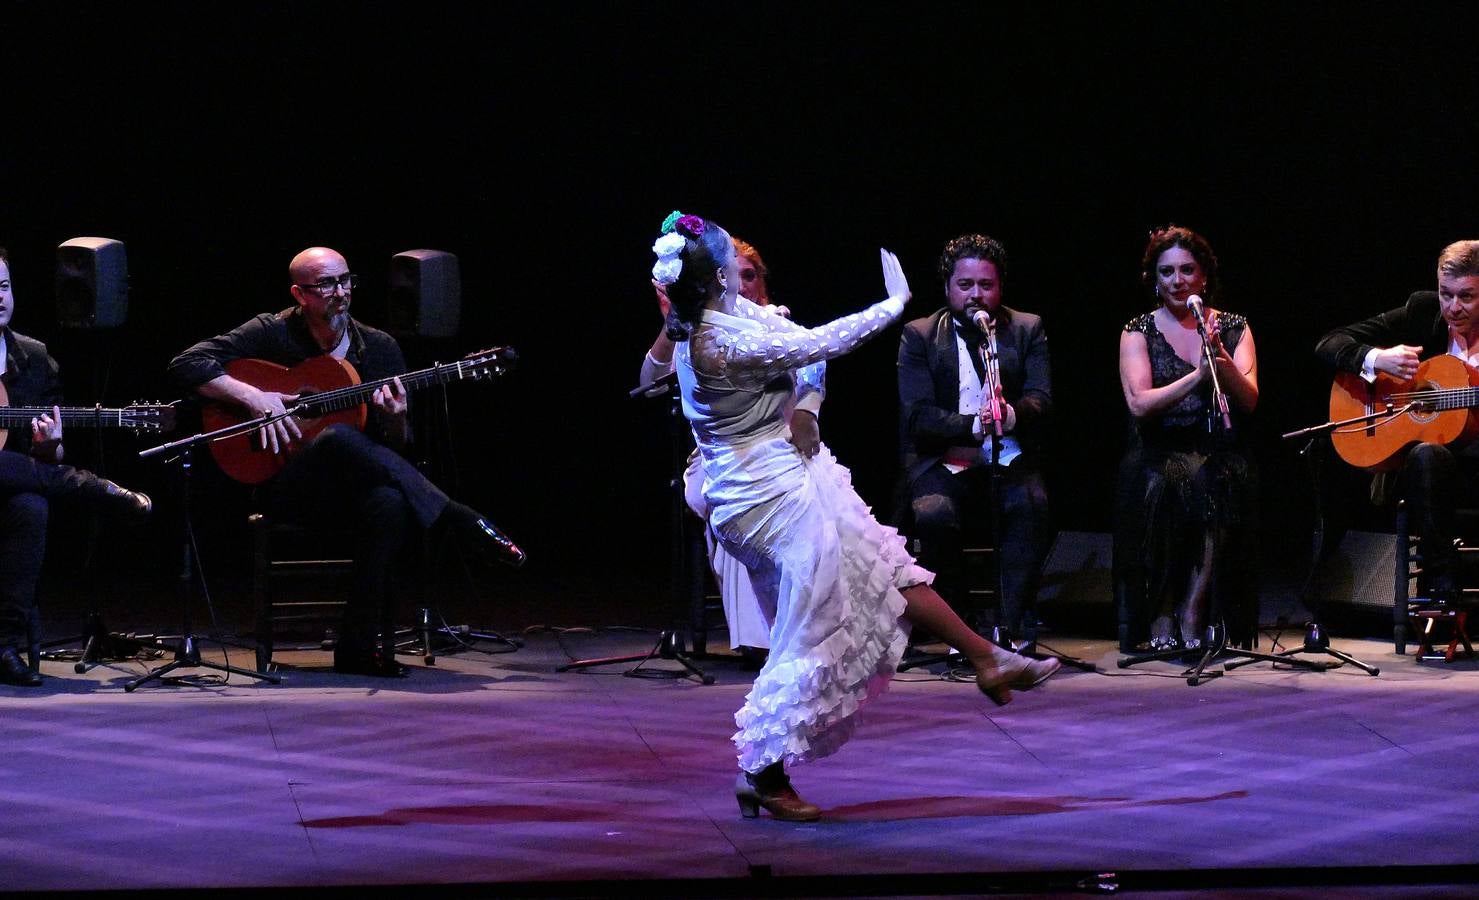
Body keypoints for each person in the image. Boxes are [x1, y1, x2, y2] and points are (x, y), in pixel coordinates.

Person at [650, 211, 1059, 822]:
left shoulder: (735, 315)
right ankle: (761, 771)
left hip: (795, 472)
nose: (741, 268)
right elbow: (819, 343)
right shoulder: (715, 339)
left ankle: (985, 658)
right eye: (730, 262)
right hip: (762, 496)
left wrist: (807, 408)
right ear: (714, 281)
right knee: (812, 624)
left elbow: (806, 352)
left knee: (884, 563)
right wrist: (891, 305)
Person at [167, 246, 524, 678]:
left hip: (347, 497)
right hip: (283, 483)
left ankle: (356, 648)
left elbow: (392, 454)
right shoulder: (270, 333)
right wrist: (256, 397)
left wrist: (397, 420)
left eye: (346, 280)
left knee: (389, 502)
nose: (341, 292)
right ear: (300, 294)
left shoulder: (378, 348)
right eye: (328, 284)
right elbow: (186, 363)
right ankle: (456, 516)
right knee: (336, 437)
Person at [640, 236, 824, 665]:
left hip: (781, 451)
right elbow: (650, 382)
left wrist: (807, 411)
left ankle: (790, 634)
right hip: (715, 460)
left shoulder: (776, 324)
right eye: (731, 275)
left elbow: (814, 369)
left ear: (761, 282)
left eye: (750, 274)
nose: (740, 283)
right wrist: (671, 326)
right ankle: (768, 641)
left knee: (777, 509)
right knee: (738, 507)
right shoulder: (696, 330)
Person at [0, 247, 152, 687]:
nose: (0, 298)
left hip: (10, 479)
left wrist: (53, 445)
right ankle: (96, 489)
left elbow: (42, 454)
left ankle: (5, 646)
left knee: (31, 506)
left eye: (5, 287)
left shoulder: (33, 357)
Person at [896, 234, 1052, 645]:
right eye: (966, 285)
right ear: (948, 287)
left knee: (1032, 504)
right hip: (943, 459)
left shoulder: (1026, 328)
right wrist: (973, 425)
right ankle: (961, 631)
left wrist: (1012, 413)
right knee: (934, 515)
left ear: (1000, 287)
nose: (976, 295)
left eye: (986, 285)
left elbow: (1042, 397)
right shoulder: (920, 335)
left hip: (1007, 457)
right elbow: (918, 416)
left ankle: (1011, 628)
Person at [1114, 225, 1259, 653]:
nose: (1177, 281)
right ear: (1153, 280)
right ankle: (1160, 608)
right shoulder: (1136, 330)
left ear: (1203, 277)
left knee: (1221, 483)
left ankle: (1194, 607)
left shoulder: (1234, 327)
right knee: (1164, 487)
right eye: (1166, 272)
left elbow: (1249, 399)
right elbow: (1139, 403)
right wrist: (1197, 376)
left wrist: (1221, 360)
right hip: (1158, 448)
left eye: (1186, 270)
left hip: (1216, 446)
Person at [1314, 239, 1479, 599]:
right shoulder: (1422, 312)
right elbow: (1329, 343)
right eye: (1445, 293)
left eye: (1466, 296)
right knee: (1424, 455)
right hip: (1431, 474)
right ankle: (1438, 588)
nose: (1453, 307)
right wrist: (1375, 359)